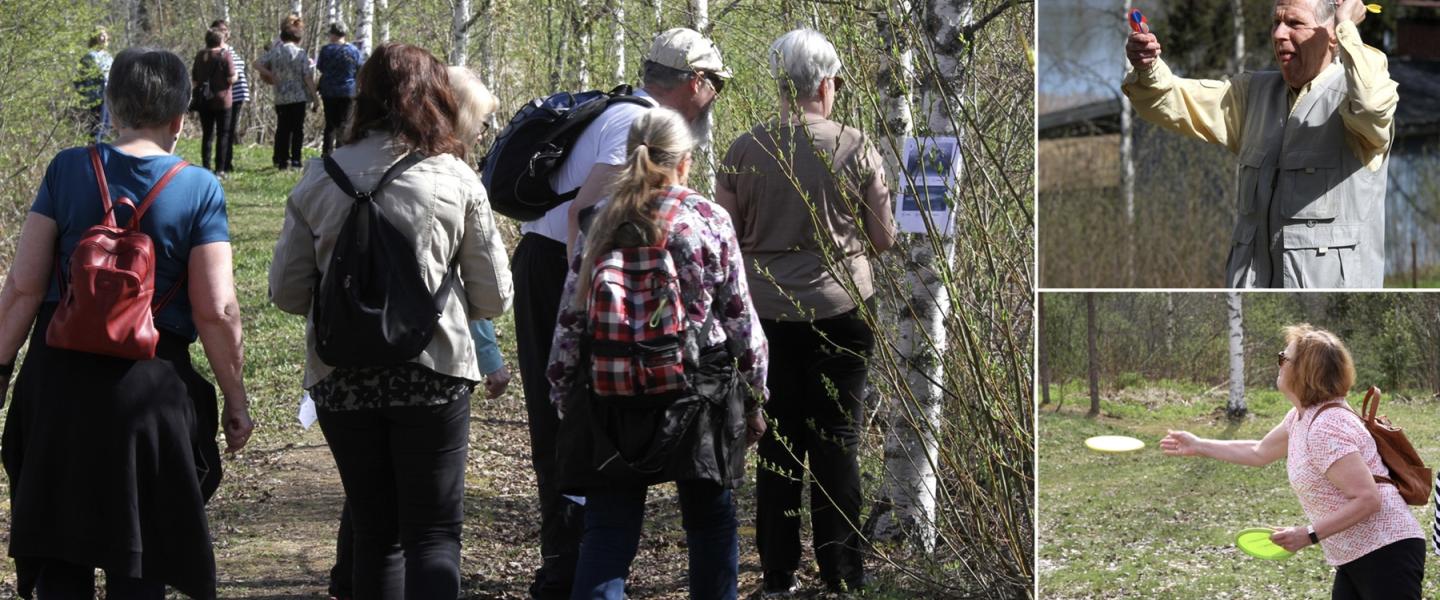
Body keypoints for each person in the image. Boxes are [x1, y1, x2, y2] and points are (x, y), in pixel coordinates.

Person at [0, 47, 253, 599]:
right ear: (181, 118)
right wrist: (235, 400)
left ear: (111, 109)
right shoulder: (198, 188)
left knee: (59, 560)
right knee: (140, 561)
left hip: (57, 389)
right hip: (148, 396)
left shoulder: (67, 168)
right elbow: (216, 309)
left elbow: (23, 285)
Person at [269, 42, 513, 599]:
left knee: (377, 534)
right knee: (433, 533)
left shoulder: (320, 176)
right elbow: (495, 296)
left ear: (364, 97)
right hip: (433, 370)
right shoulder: (453, 178)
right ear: (436, 98)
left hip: (342, 375)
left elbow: (286, 292)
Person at [510, 27, 730, 599]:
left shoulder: (632, 117)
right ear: (696, 83)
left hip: (568, 268)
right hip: (561, 267)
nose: (716, 100)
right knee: (572, 430)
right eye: (716, 87)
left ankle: (572, 564)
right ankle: (563, 566)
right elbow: (588, 214)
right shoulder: (633, 125)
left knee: (580, 428)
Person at [547, 106, 769, 600]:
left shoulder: (600, 222)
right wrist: (755, 397)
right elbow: (740, 320)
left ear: (630, 158)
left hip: (613, 391)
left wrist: (566, 397)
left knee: (607, 531)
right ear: (685, 161)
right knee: (711, 525)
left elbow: (570, 320)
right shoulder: (707, 219)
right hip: (699, 394)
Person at [714, 28, 893, 596]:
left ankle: (777, 575)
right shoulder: (855, 146)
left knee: (778, 442)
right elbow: (883, 236)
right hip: (842, 310)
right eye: (835, 81)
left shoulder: (744, 149)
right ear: (823, 82)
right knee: (837, 442)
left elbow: (725, 234)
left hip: (767, 318)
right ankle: (844, 574)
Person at [1122, 0, 1397, 288]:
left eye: (1294, 23)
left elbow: (1371, 104)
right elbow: (1168, 99)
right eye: (1276, 23)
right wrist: (1148, 67)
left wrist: (1347, 27)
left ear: (1330, 34)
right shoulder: (1252, 95)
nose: (1278, 34)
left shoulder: (1354, 97)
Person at [1161, 324, 1424, 599]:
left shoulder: (1327, 426)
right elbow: (1258, 451)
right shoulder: (1303, 416)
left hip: (1385, 549)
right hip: (1355, 554)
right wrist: (1199, 445)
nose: (1278, 363)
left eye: (1283, 358)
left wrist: (1307, 534)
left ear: (1305, 371)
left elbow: (1368, 498)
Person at [256, 22, 318, 170]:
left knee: (283, 128)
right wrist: (315, 96)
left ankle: (282, 161)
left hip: (281, 97)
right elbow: (307, 77)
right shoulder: (301, 53)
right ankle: (296, 160)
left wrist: (270, 74)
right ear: (298, 39)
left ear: (282, 38)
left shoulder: (275, 52)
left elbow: (256, 63)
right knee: (297, 129)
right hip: (298, 97)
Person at [193, 28, 237, 174]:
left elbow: (194, 80)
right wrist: (236, 75)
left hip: (204, 100)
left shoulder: (200, 56)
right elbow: (231, 79)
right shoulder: (225, 55)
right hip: (222, 100)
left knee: (207, 134)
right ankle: (220, 169)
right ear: (221, 41)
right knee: (223, 134)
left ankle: (206, 167)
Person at [317, 22, 363, 156]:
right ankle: (341, 153)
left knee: (330, 124)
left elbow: (320, 67)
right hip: (348, 91)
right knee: (344, 123)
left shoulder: (326, 50)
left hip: (329, 91)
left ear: (332, 34)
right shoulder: (354, 51)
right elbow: (359, 69)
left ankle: (326, 153)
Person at [211, 19, 250, 173]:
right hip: (227, 94)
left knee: (230, 129)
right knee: (225, 130)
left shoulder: (230, 49)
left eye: (226, 29)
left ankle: (228, 162)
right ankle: (223, 164)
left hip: (238, 95)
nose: (225, 32)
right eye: (221, 29)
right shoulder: (218, 51)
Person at [75, 27, 113, 140]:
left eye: (105, 35)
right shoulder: (89, 57)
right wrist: (87, 95)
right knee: (97, 130)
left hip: (108, 97)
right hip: (96, 99)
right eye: (101, 35)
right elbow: (79, 79)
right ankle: (92, 155)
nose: (104, 37)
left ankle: (101, 155)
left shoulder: (108, 57)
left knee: (105, 129)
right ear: (95, 38)